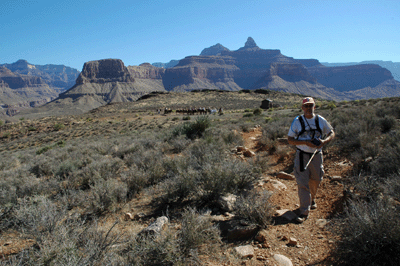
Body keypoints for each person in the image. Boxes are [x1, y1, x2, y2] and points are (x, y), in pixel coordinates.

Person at [287, 97, 335, 223]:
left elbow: (331, 132)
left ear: (314, 106)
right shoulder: (297, 121)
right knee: (302, 182)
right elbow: (290, 139)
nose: (308, 108)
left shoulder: (320, 120)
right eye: (306, 106)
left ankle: (312, 199)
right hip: (302, 155)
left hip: (316, 155)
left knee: (317, 179)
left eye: (311, 105)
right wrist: (305, 143)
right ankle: (304, 211)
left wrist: (324, 141)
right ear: (302, 108)